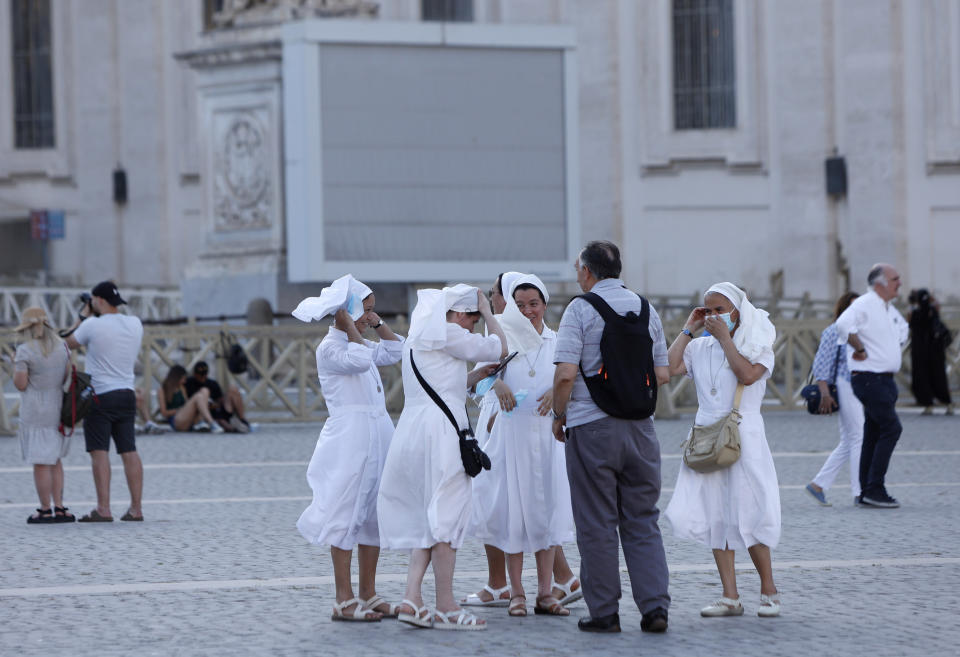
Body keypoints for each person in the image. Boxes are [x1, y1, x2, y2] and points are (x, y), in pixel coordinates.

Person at [551, 241, 671, 634]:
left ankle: (604, 611)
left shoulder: (579, 309)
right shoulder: (646, 309)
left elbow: (566, 373)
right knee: (642, 520)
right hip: (641, 428)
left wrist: (558, 414)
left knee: (597, 522)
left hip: (592, 427)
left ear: (587, 271)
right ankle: (655, 608)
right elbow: (663, 374)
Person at [377, 285, 507, 630]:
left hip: (413, 429)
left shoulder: (419, 336)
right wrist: (490, 313)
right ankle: (447, 606)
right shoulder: (450, 332)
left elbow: (438, 383)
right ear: (463, 315)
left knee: (429, 516)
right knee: (447, 517)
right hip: (442, 434)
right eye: (474, 320)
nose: (475, 327)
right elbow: (499, 347)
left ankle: (411, 598)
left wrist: (472, 377)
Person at [665, 282, 782, 618]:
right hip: (707, 436)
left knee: (752, 510)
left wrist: (725, 339)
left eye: (721, 310)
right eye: (710, 310)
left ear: (738, 311)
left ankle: (769, 590)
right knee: (717, 514)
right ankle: (730, 595)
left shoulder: (758, 345)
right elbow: (668, 369)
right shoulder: (699, 348)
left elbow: (746, 375)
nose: (715, 316)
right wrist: (689, 328)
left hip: (744, 435)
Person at [293, 276, 404, 622]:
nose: (370, 317)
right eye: (365, 310)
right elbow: (357, 359)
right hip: (351, 438)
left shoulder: (361, 341)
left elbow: (397, 350)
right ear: (347, 312)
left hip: (377, 431)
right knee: (347, 512)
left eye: (373, 311)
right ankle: (344, 597)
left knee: (373, 514)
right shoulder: (331, 347)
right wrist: (349, 325)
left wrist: (378, 323)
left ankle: (369, 593)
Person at [471, 274, 576, 617]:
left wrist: (556, 393)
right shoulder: (501, 337)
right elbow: (478, 376)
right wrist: (495, 383)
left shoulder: (557, 341)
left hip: (546, 436)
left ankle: (546, 592)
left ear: (544, 305)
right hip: (511, 435)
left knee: (545, 513)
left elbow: (575, 378)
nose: (528, 311)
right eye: (520, 305)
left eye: (534, 304)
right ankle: (516, 592)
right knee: (513, 512)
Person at [64, 281, 145, 522]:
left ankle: (103, 508)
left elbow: (67, 343)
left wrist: (82, 317)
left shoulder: (92, 325)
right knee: (129, 450)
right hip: (127, 393)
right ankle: (136, 509)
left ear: (98, 300)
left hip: (100, 395)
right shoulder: (135, 323)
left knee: (99, 452)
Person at [836, 263, 910, 508]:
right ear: (880, 283)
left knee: (873, 432)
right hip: (869, 378)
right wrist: (859, 348)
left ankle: (865, 490)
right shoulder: (864, 304)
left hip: (883, 379)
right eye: (895, 278)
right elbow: (842, 325)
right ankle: (874, 488)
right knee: (892, 428)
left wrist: (890, 345)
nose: (900, 282)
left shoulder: (887, 308)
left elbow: (904, 329)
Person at [14, 307, 74, 524]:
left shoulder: (25, 351)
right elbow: (67, 376)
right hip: (58, 406)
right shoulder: (63, 347)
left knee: (40, 461)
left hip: (35, 410)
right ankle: (60, 507)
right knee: (55, 459)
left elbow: (20, 384)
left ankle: (45, 508)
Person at [805, 292, 864, 507]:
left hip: (860, 385)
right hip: (844, 385)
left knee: (850, 439)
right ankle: (860, 491)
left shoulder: (861, 331)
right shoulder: (833, 331)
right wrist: (825, 393)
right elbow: (821, 365)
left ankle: (818, 484)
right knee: (858, 437)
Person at [907, 288, 954, 415]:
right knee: (939, 378)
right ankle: (947, 404)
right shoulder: (933, 311)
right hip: (935, 352)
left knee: (923, 378)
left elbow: (910, 324)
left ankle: (928, 404)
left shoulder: (916, 312)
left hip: (920, 351)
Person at [184, 361, 251, 433]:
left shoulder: (212, 383)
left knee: (233, 389)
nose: (203, 376)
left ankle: (242, 419)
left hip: (216, 410)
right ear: (195, 374)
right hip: (201, 413)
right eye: (201, 375)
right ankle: (231, 428)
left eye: (205, 374)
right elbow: (187, 403)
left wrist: (215, 405)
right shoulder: (189, 383)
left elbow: (220, 400)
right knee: (204, 392)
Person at [157, 365, 224, 433]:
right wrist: (178, 410)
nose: (185, 381)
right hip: (176, 420)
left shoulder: (182, 388)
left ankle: (201, 422)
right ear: (176, 378)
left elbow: (186, 403)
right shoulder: (162, 390)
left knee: (205, 390)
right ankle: (211, 423)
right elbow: (164, 412)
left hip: (187, 418)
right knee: (198, 396)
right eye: (183, 379)